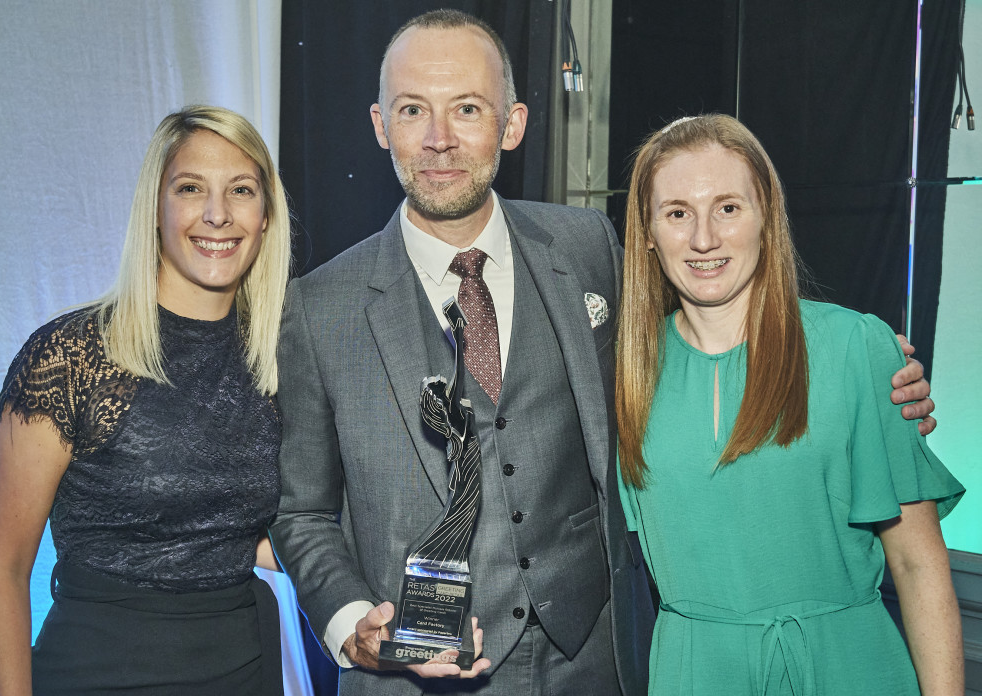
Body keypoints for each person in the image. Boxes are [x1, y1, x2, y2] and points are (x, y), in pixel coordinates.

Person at [269, 10, 937, 696]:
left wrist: (857, 372)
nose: (439, 139)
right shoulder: (319, 309)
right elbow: (302, 511)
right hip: (414, 678)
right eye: (414, 110)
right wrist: (354, 624)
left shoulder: (587, 249)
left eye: (467, 108)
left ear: (513, 123)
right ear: (381, 125)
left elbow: (702, 334)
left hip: (598, 666)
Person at [616, 114, 964, 695]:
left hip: (852, 670)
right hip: (698, 675)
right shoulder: (622, 374)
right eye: (677, 213)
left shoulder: (856, 348)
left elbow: (917, 565)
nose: (704, 238)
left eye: (729, 207)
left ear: (765, 218)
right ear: (648, 231)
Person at [0, 105, 292, 695]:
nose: (217, 214)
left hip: (242, 668)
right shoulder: (68, 357)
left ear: (266, 216)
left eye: (241, 190)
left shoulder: (281, 360)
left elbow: (259, 531)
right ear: (156, 209)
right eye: (191, 188)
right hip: (99, 672)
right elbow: (2, 573)